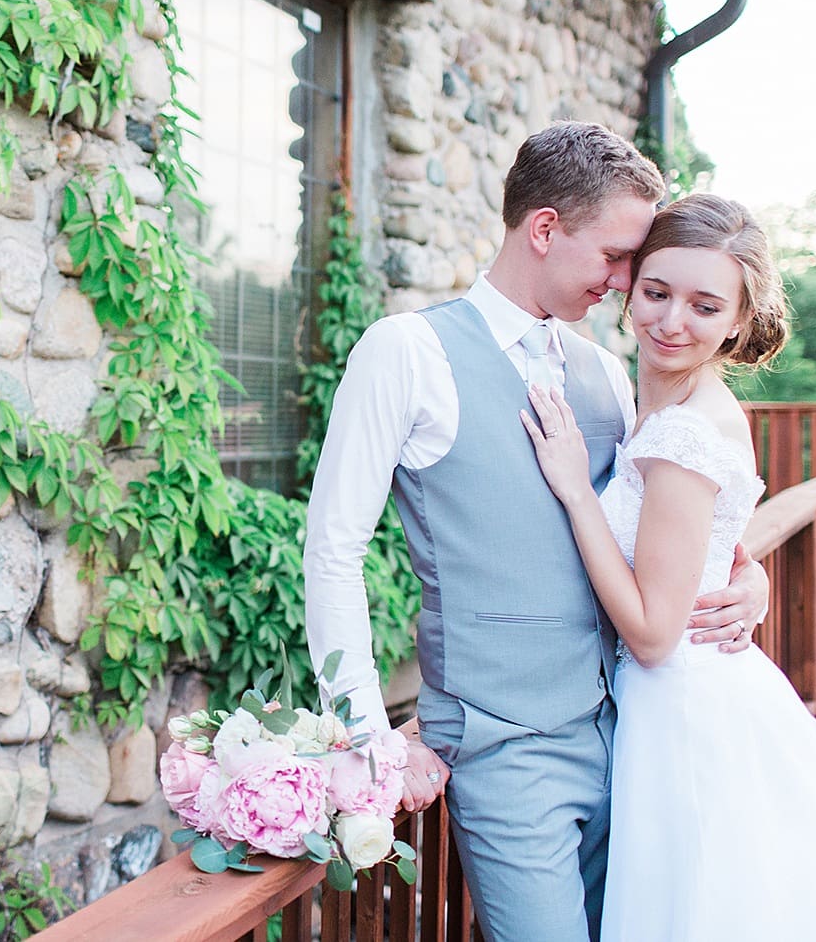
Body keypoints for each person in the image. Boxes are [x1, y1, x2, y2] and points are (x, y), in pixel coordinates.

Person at [303, 121, 769, 941]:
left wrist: (745, 573)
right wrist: (371, 737)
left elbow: (657, 522)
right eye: (618, 258)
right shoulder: (407, 351)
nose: (628, 284)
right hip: (505, 747)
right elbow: (333, 551)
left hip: (630, 730)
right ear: (545, 229)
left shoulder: (602, 369)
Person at [521, 193, 816, 940]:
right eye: (655, 292)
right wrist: (750, 579)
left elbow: (653, 633)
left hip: (684, 708)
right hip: (672, 697)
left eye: (704, 306)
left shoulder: (684, 428)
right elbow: (711, 549)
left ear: (738, 321)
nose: (671, 321)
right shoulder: (648, 400)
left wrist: (574, 490)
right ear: (629, 285)